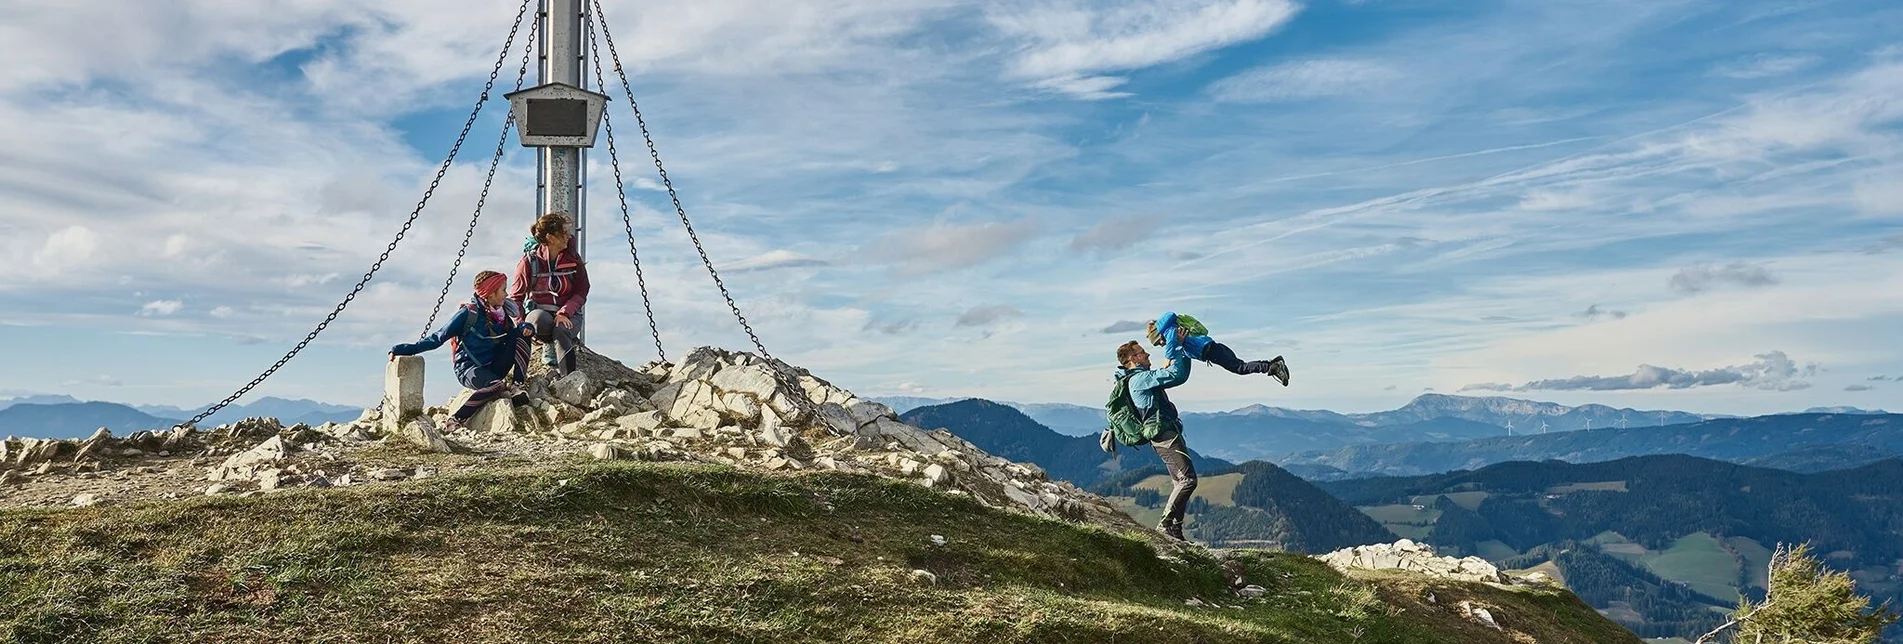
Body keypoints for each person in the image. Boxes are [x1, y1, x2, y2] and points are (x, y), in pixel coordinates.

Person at [390, 270, 534, 431]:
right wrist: (407, 349)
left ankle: (517, 387)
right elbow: (438, 338)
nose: (506, 294)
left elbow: (513, 338)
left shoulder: (503, 314)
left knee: (522, 333)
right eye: (503, 290)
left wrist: (525, 327)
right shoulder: (468, 313)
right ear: (490, 293)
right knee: (496, 385)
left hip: (494, 365)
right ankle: (456, 419)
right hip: (468, 369)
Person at [1114, 326, 1198, 541]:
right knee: (1187, 480)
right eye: (1143, 352)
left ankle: (1175, 532)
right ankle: (1165, 525)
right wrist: (1178, 346)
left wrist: (1181, 351)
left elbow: (1175, 375)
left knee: (1180, 481)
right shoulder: (1139, 379)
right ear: (1133, 359)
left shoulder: (1140, 377)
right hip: (1164, 436)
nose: (1148, 354)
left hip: (1164, 435)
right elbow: (1176, 375)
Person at [511, 212, 591, 375]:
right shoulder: (529, 262)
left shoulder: (573, 259)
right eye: (564, 233)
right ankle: (544, 348)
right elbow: (516, 298)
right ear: (550, 237)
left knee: (561, 327)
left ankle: (568, 378)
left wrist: (564, 312)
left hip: (569, 315)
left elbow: (582, 290)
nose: (568, 236)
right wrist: (521, 324)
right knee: (538, 320)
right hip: (541, 314)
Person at [1147, 311, 1290, 386]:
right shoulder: (1177, 337)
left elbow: (1171, 343)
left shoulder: (1171, 332)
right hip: (1214, 348)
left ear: (1159, 334)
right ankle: (1272, 364)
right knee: (1240, 366)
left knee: (1240, 368)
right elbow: (1181, 356)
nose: (1162, 345)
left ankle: (1273, 366)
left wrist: (1168, 359)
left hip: (1211, 351)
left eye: (1159, 342)